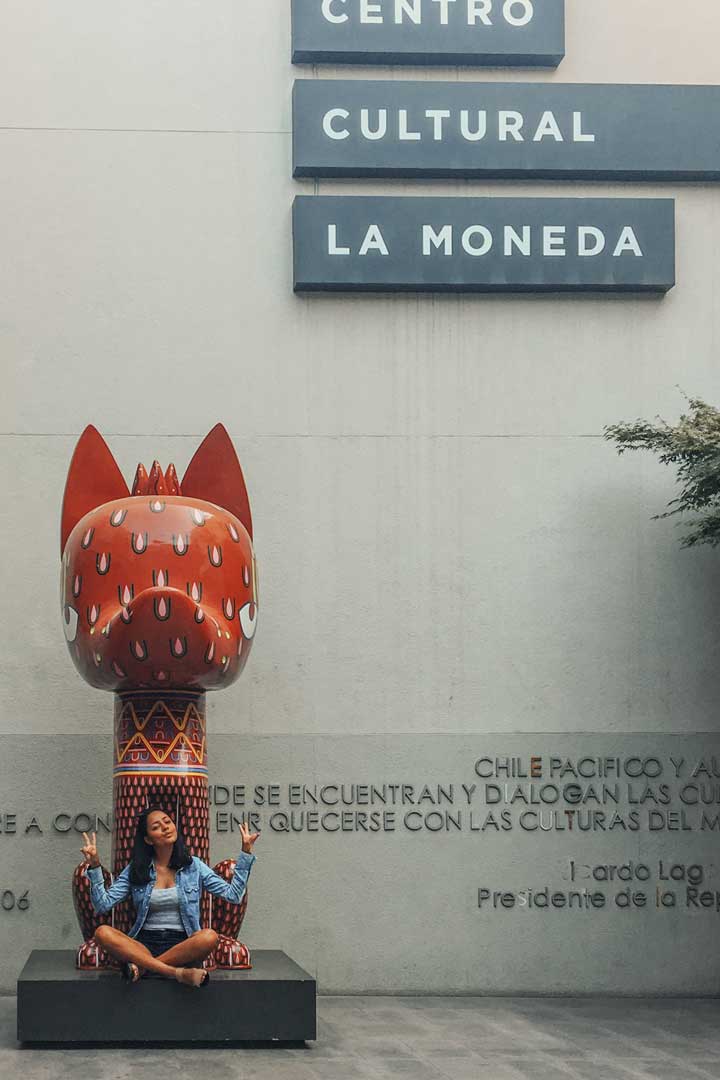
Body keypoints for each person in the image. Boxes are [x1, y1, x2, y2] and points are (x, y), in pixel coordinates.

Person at [82, 806, 259, 988]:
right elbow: (102, 905)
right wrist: (95, 866)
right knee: (102, 932)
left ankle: (143, 968)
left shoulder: (194, 866)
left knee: (209, 937)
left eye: (168, 822)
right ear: (148, 839)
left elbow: (234, 895)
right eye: (157, 826)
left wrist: (245, 853)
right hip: (143, 944)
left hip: (183, 945)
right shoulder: (137, 868)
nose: (166, 827)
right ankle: (176, 972)